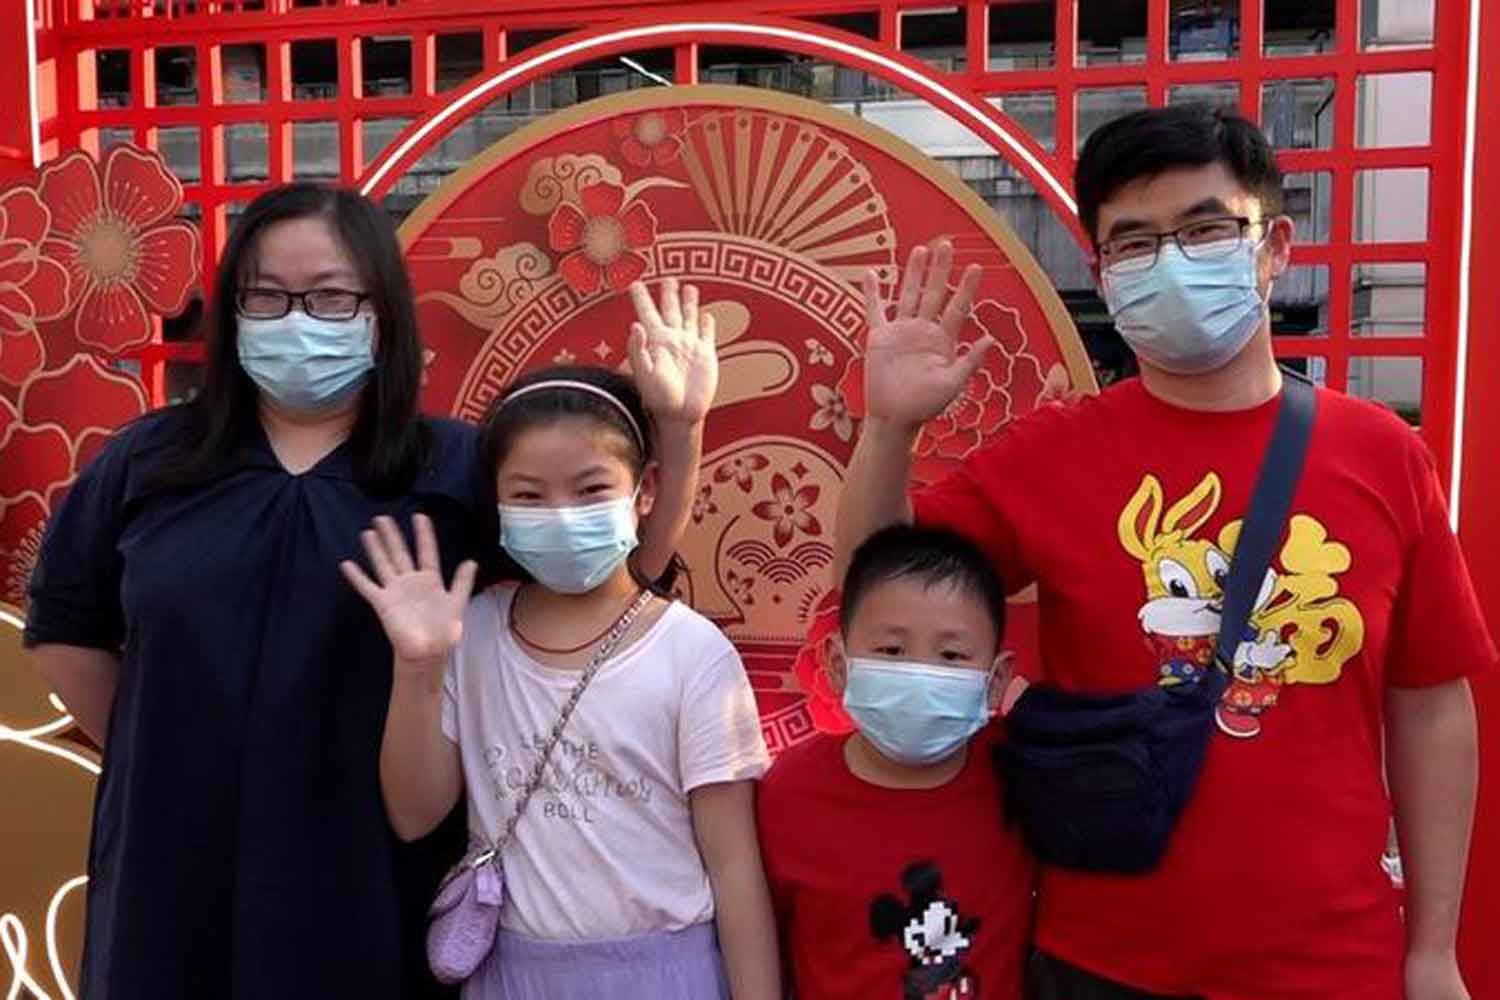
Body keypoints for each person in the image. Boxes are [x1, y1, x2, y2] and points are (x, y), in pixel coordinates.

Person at [834, 106, 1492, 1000]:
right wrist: (889, 428)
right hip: (1100, 963)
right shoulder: (1048, 455)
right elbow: (872, 590)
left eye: (1206, 228)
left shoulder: (1380, 453)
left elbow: (1432, 708)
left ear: (1274, 245)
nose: (1172, 260)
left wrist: (1433, 949)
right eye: (1133, 243)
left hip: (1334, 962)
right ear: (1102, 273)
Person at [23, 183, 707, 1000]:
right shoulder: (147, 462)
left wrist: (680, 432)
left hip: (373, 860)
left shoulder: (451, 468)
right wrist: (172, 741)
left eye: (330, 296)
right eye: (267, 295)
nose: (296, 318)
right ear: (233, 310)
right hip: (172, 858)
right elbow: (64, 629)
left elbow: (603, 586)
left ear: (381, 311)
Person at [343, 360, 780, 1000]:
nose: (561, 514)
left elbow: (736, 871)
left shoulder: (693, 652)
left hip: (663, 978)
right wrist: (418, 667)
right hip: (511, 976)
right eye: (528, 495)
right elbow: (414, 816)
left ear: (645, 491)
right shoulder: (472, 634)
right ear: (495, 502)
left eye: (590, 489)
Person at [757, 524, 1032, 1000]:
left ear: (996, 677)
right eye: (891, 650)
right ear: (838, 665)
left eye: (951, 655)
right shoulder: (787, 792)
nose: (920, 673)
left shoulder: (1023, 778)